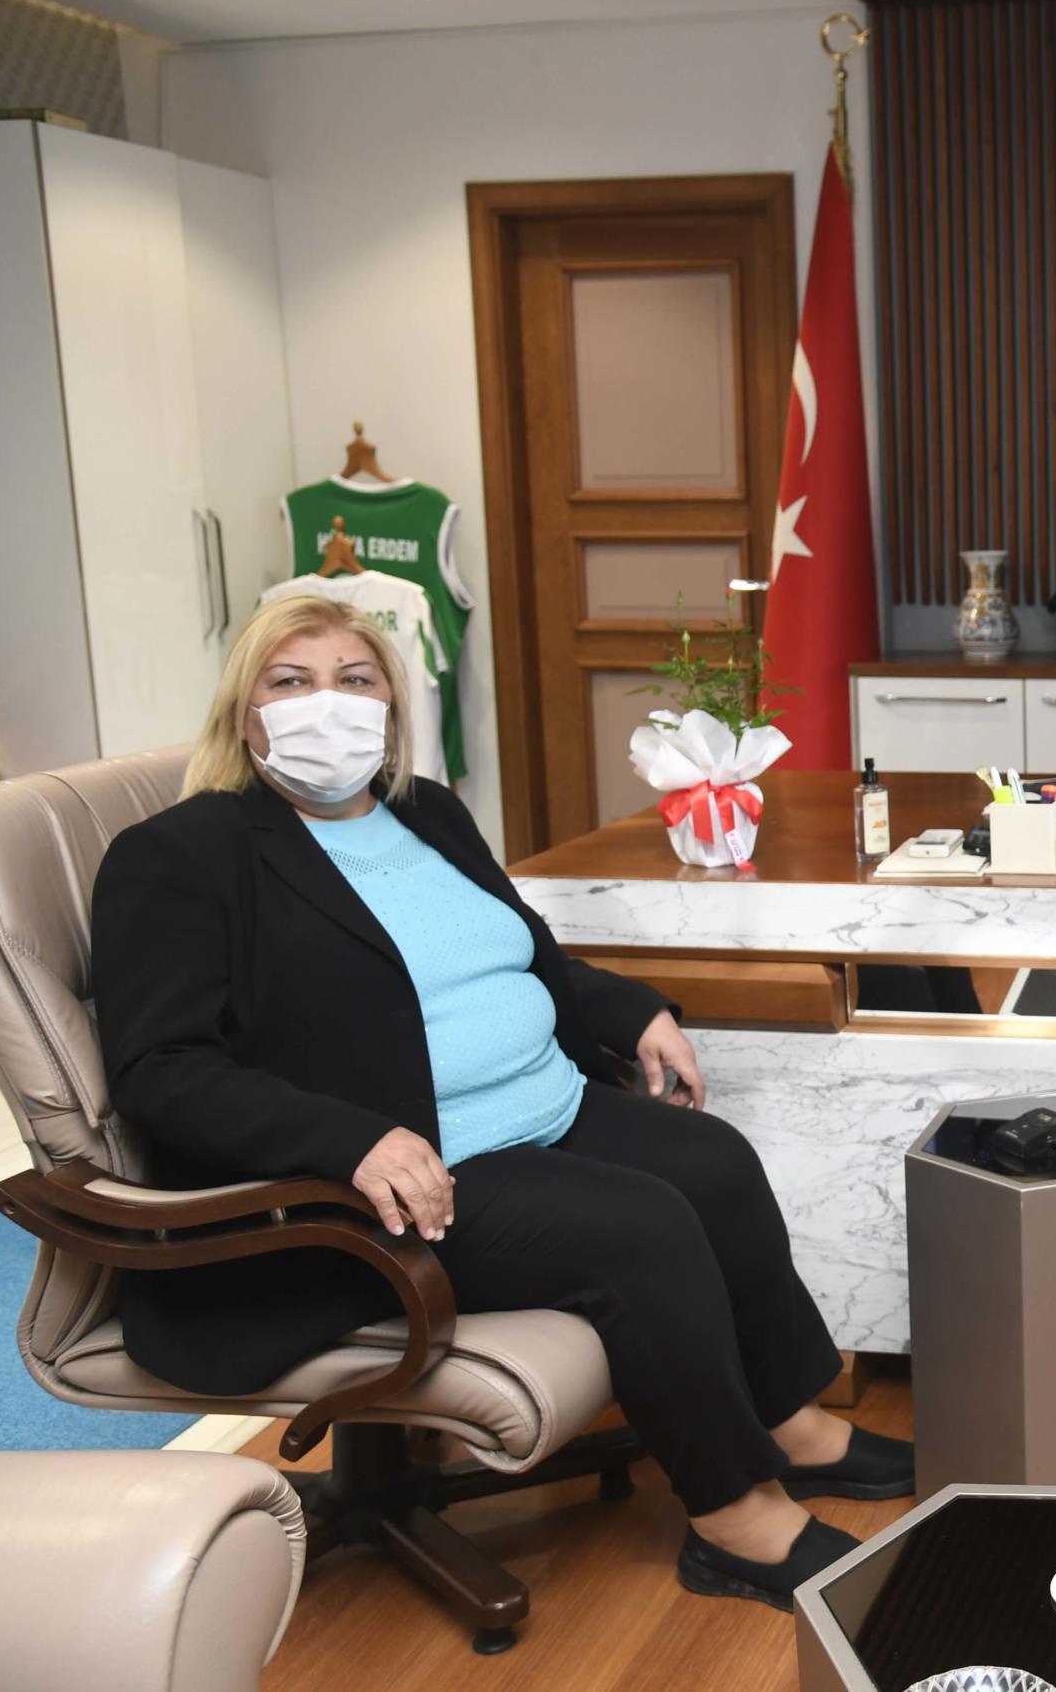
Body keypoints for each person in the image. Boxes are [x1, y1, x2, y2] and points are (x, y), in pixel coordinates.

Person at [90, 596, 908, 1610]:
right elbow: (161, 1068)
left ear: (390, 705)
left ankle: (791, 1423)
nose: (327, 703)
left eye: (355, 679)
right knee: (642, 1228)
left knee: (715, 1164)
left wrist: (633, 1011)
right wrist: (353, 1139)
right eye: (290, 681)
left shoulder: (425, 812)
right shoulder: (182, 854)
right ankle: (736, 1520)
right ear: (242, 710)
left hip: (540, 1106)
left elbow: (517, 952)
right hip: (389, 1182)